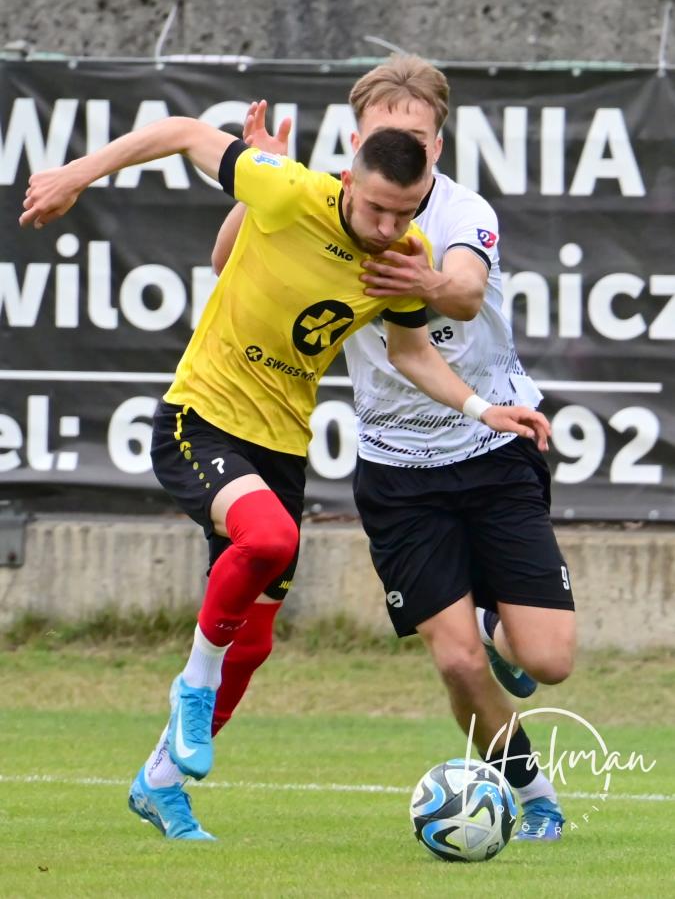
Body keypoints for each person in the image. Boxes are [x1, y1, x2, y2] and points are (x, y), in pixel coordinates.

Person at [20, 113, 551, 841]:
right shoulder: (288, 191)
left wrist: (482, 408)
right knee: (268, 540)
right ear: (348, 180)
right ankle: (193, 686)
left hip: (281, 446)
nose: (388, 226)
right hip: (201, 419)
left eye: (405, 212)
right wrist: (74, 175)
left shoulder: (406, 254)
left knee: (255, 642)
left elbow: (411, 354)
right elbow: (180, 131)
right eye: (376, 208)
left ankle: (160, 785)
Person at [212, 56, 576, 842]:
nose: (402, 149)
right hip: (397, 469)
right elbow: (224, 266)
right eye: (386, 134)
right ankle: (532, 793)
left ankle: (496, 625)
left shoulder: (460, 211)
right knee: (454, 663)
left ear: (437, 145)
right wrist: (257, 182)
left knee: (548, 661)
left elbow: (464, 290)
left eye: (416, 136)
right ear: (357, 141)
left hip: (490, 446)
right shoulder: (324, 204)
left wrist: (419, 279)